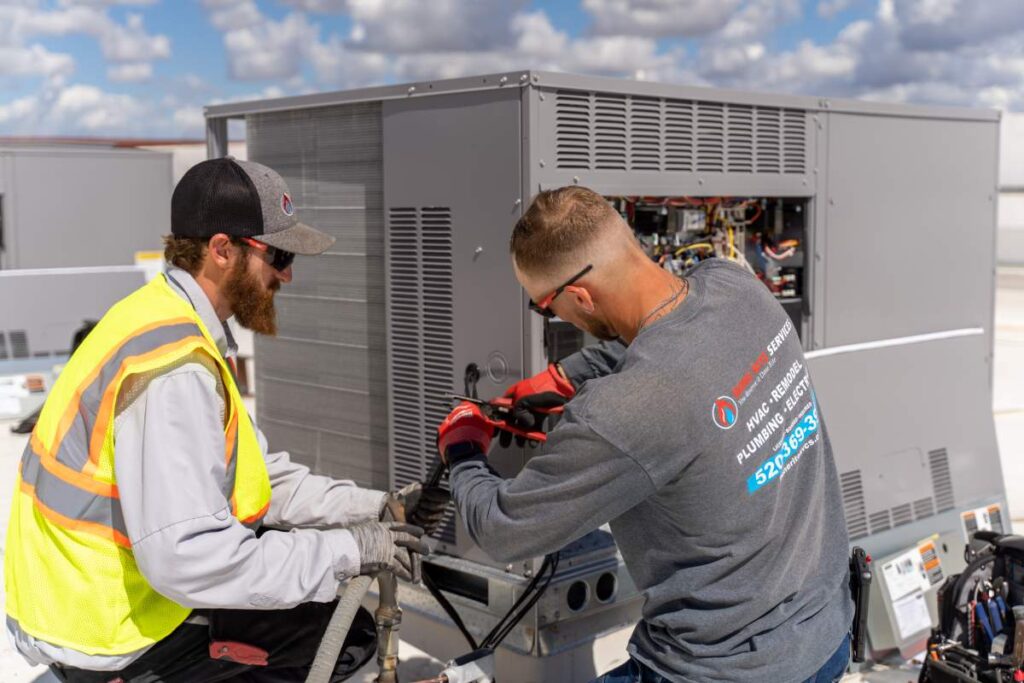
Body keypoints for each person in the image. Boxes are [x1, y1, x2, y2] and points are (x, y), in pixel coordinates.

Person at [4, 158, 445, 683]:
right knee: (339, 640)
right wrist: (347, 551)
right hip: (107, 634)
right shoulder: (174, 370)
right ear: (221, 250)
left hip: (97, 604)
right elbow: (191, 558)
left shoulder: (164, 320)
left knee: (327, 620)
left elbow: (252, 478)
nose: (287, 273)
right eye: (278, 254)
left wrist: (374, 508)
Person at [436, 186, 853, 683]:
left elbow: (503, 530)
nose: (554, 317)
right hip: (826, 634)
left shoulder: (621, 412)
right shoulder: (735, 285)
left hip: (722, 671)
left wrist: (461, 448)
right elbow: (677, 342)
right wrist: (562, 378)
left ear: (579, 297)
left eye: (545, 308)